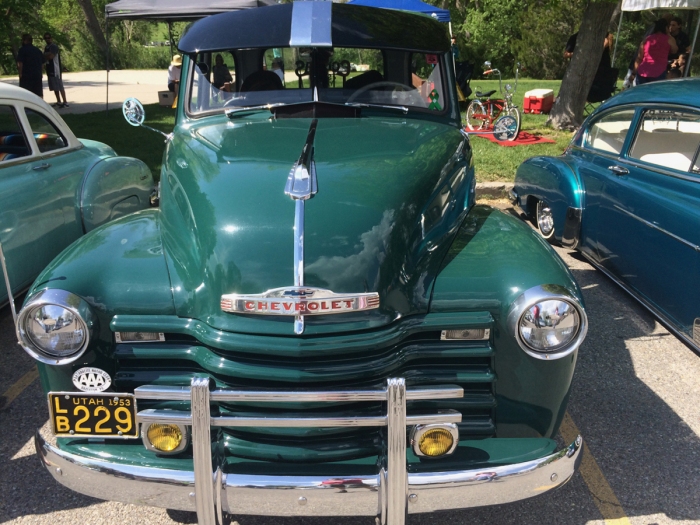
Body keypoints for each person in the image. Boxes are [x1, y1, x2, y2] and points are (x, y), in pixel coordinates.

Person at [632, 18, 678, 85]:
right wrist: (668, 34)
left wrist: (634, 73)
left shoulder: (647, 39)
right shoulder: (669, 39)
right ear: (666, 28)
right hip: (658, 71)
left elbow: (639, 58)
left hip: (643, 71)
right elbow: (675, 50)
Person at [43, 33, 68, 107]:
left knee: (59, 85)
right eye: (46, 38)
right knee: (54, 86)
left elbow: (51, 57)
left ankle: (65, 102)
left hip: (55, 69)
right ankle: (58, 101)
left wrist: (45, 55)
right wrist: (46, 55)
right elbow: (45, 56)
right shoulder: (47, 47)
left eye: (48, 37)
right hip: (49, 68)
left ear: (51, 38)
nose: (47, 39)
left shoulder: (53, 46)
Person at [16, 34, 44, 99]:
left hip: (26, 75)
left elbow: (20, 63)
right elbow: (42, 63)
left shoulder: (22, 50)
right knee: (39, 93)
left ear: (25, 41)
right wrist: (40, 72)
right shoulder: (38, 50)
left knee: (25, 94)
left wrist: (20, 73)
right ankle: (40, 107)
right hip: (37, 75)